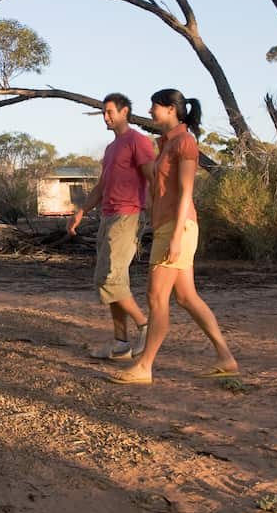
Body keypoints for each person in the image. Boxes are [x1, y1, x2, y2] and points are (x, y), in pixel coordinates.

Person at [111, 88, 237, 384]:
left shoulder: (185, 143)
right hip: (168, 227)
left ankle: (144, 366)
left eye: (154, 107)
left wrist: (177, 237)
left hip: (177, 228)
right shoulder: (167, 145)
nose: (151, 112)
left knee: (156, 297)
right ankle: (225, 357)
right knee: (186, 297)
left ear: (170, 109)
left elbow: (186, 194)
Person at [68, 93, 155, 361]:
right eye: (103, 113)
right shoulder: (110, 149)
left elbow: (152, 177)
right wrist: (81, 211)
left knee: (112, 280)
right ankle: (120, 344)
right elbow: (101, 187)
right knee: (107, 282)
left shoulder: (137, 141)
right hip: (108, 217)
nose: (105, 117)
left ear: (124, 111)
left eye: (109, 112)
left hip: (128, 216)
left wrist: (158, 214)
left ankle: (145, 325)